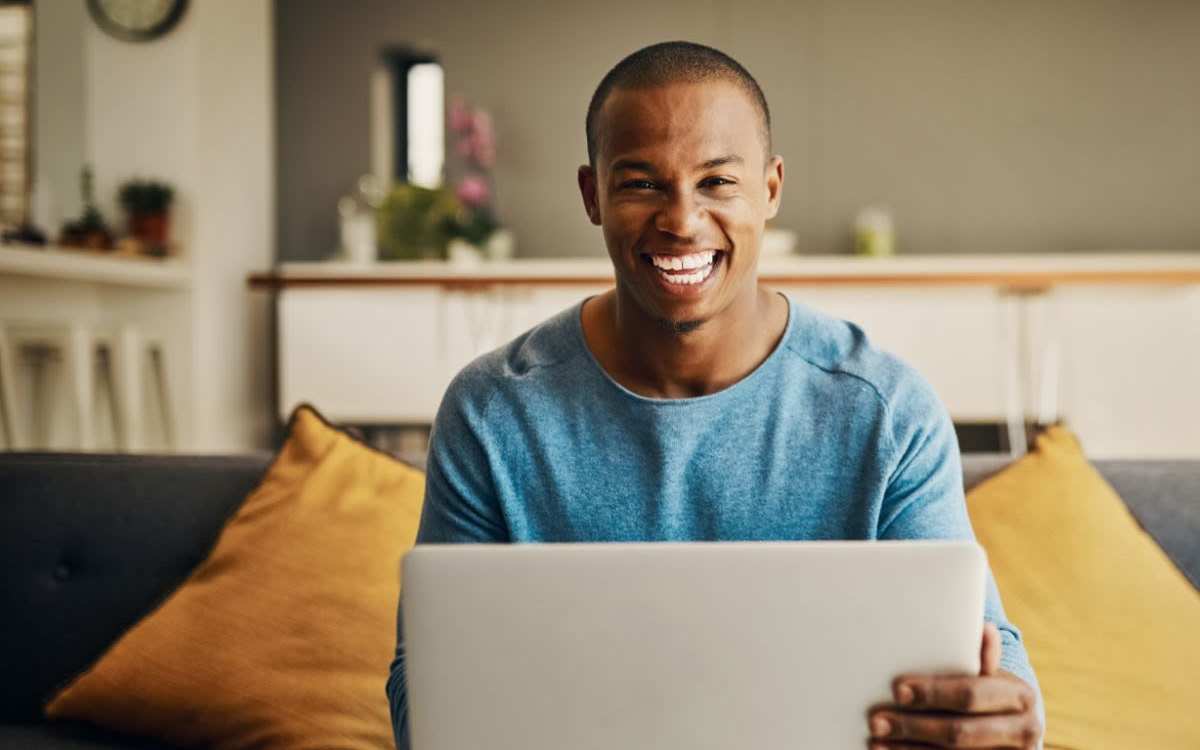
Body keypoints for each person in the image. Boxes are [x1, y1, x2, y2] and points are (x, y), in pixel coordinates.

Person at [387, 41, 1044, 750]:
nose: (681, 220)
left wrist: (1004, 713)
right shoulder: (492, 414)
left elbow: (984, 650)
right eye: (641, 183)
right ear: (592, 195)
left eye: (717, 183)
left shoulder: (885, 411)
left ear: (770, 188)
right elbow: (424, 698)